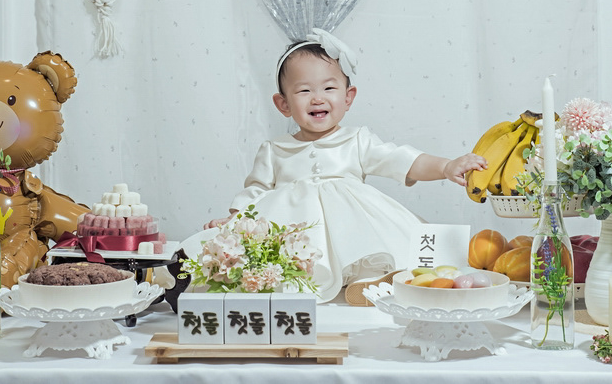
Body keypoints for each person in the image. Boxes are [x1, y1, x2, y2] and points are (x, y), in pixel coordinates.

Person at [201, 29, 487, 304]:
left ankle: (371, 280)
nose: (318, 98)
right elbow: (255, 194)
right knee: (278, 258)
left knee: (365, 241)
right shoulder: (274, 150)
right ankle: (296, 282)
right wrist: (233, 222)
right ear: (283, 104)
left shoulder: (357, 140)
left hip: (351, 224)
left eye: (329, 88)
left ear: (348, 97)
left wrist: (446, 166)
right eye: (304, 90)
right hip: (296, 230)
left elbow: (403, 161)